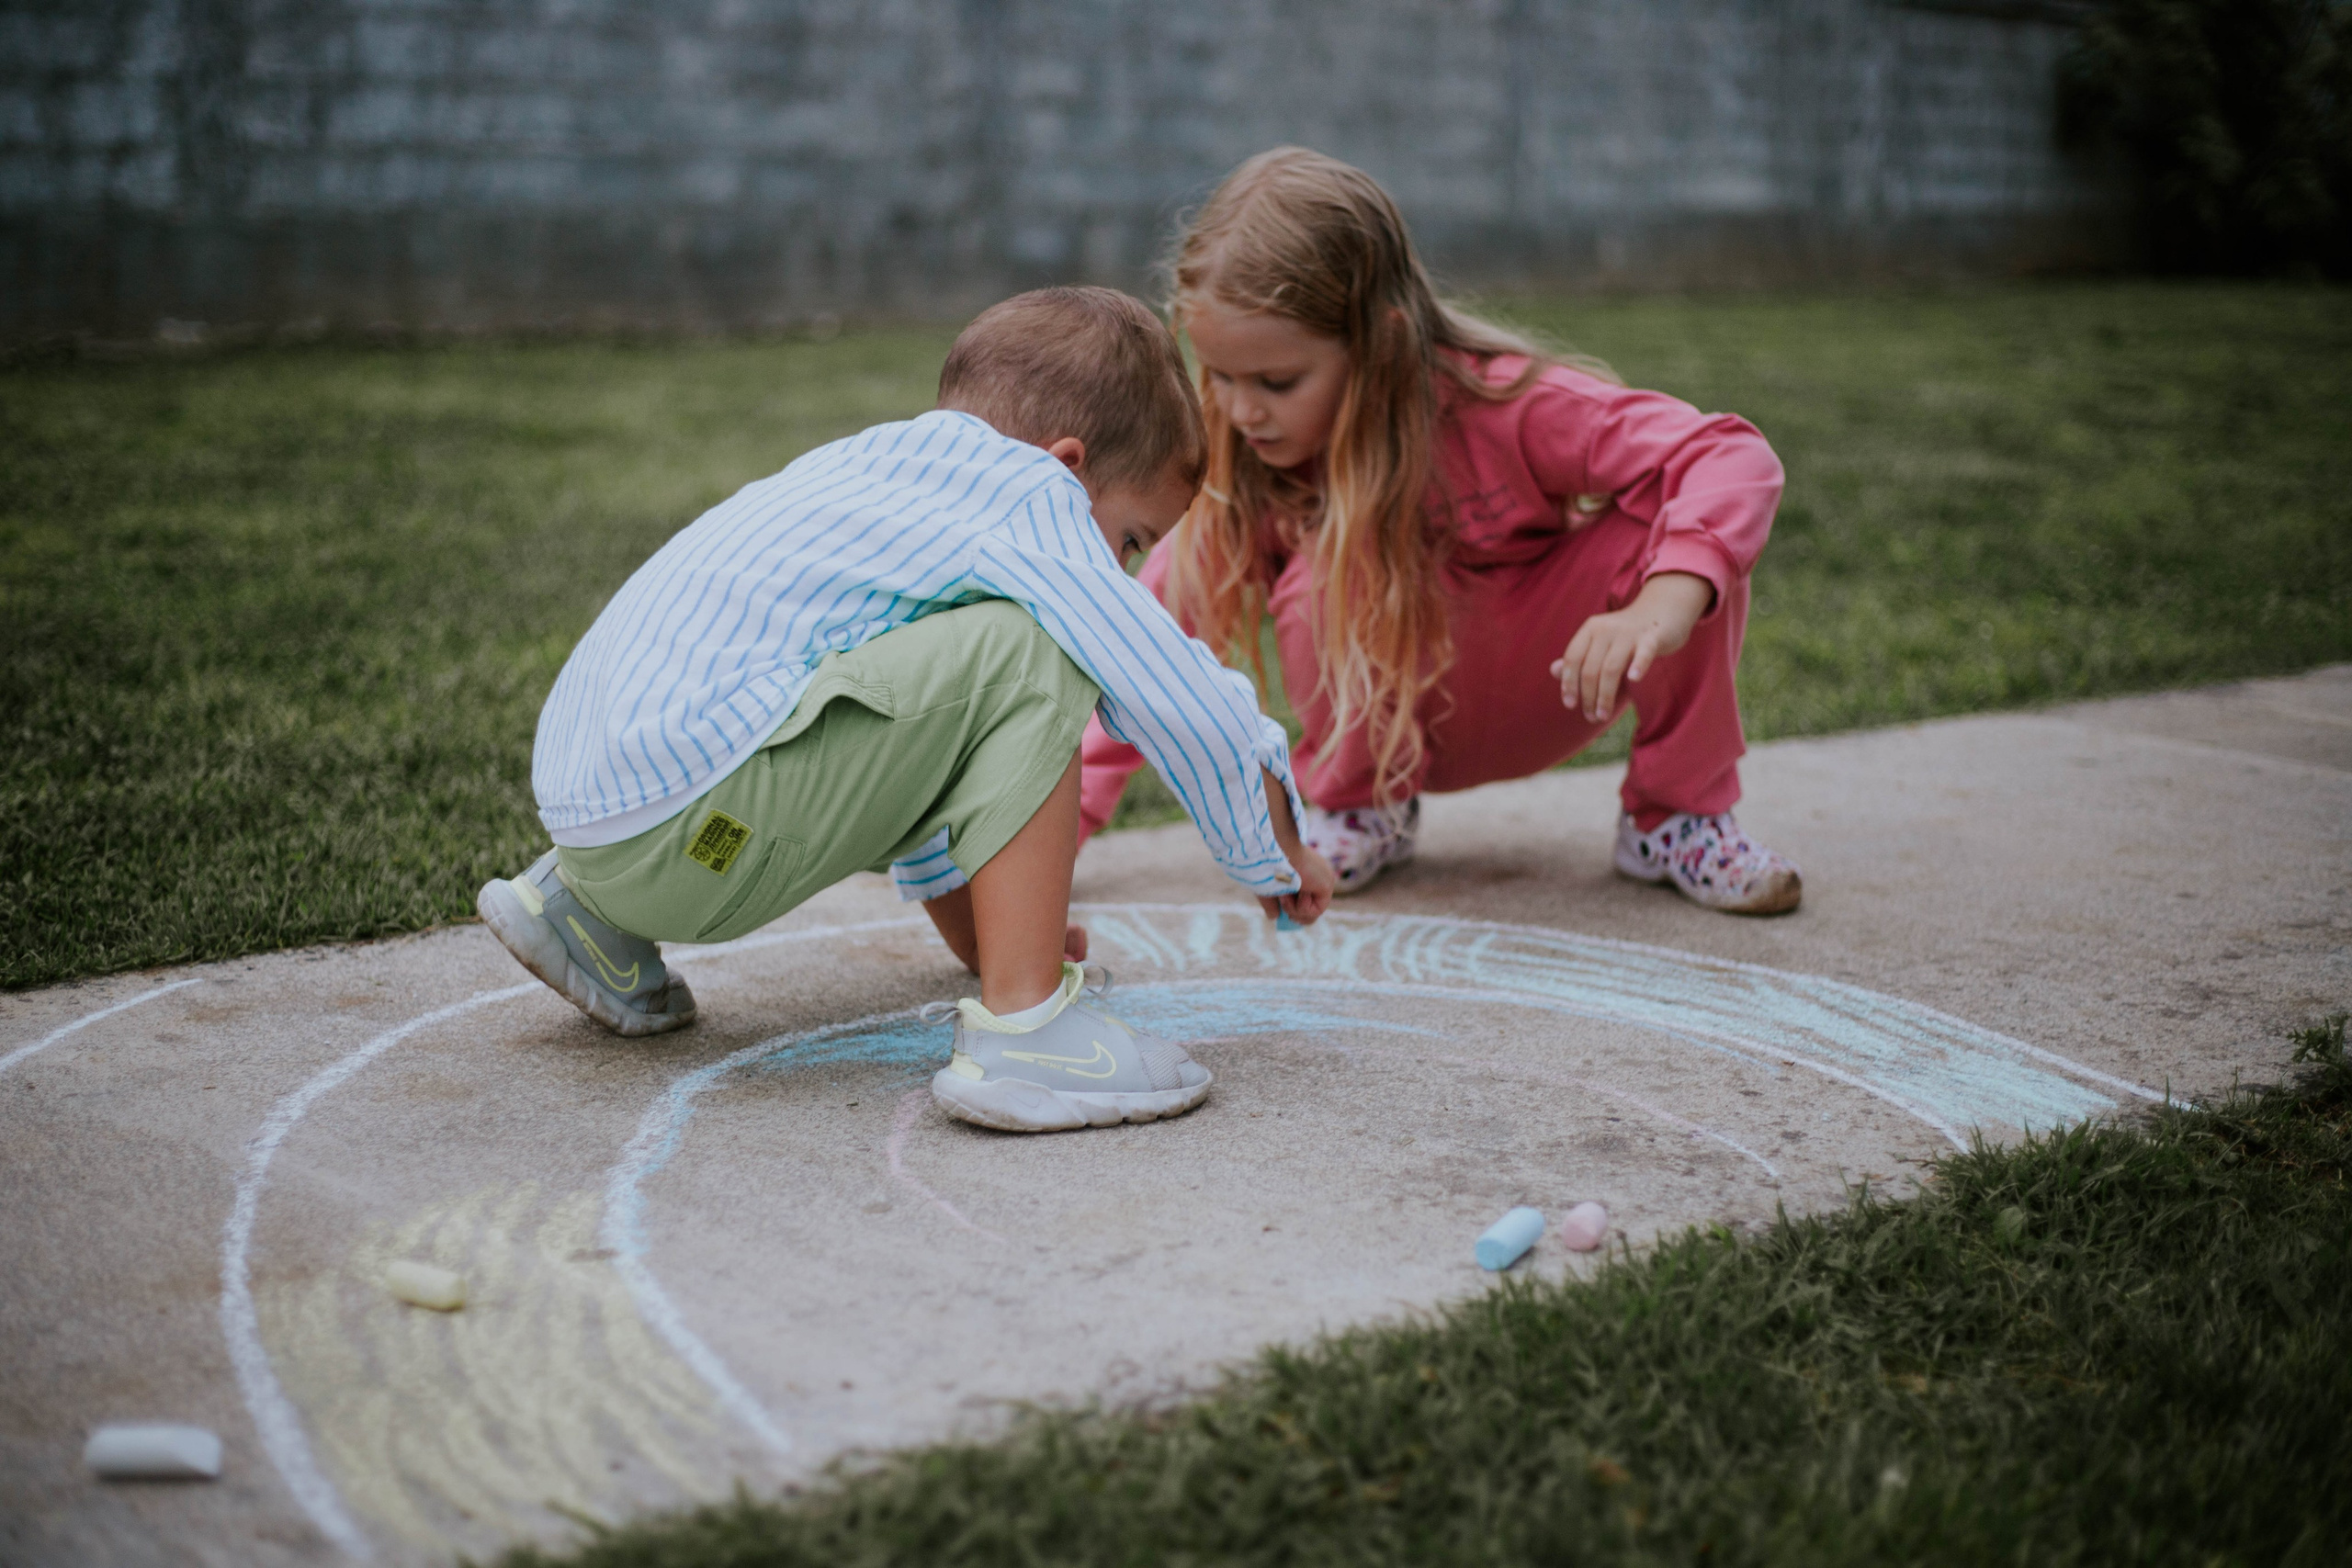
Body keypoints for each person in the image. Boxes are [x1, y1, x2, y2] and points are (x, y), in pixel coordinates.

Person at [476, 287, 1337, 1133]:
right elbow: (1174, 691)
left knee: (985, 651)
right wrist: (1276, 850)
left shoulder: (882, 477)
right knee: (1041, 647)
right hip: (707, 838)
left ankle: (581, 918)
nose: (1117, 569)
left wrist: (983, 940)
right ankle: (1030, 1036)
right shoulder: (1032, 495)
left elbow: (909, 743)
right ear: (1067, 464)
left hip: (611, 846)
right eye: (1128, 541)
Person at [1079, 148, 1802, 915]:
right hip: (1389, 735)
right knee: (1332, 565)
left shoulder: (1502, 405)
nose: (1241, 410)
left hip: (1555, 687)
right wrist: (1059, 830)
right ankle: (1362, 808)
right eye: (1220, 375)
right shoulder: (1246, 466)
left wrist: (1662, 601)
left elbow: (1729, 454)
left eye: (1277, 382)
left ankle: (1677, 819)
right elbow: (1142, 650)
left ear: (1382, 345)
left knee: (1684, 535)